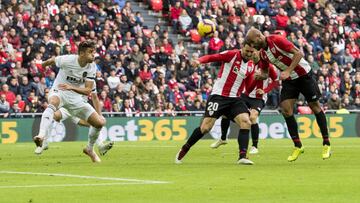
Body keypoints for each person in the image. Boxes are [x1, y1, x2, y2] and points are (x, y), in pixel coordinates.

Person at [245, 28, 331, 161]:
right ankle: (298, 146)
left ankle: (326, 143)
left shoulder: (276, 40)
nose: (252, 46)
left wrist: (288, 70)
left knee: (315, 106)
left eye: (252, 43)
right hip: (290, 80)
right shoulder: (262, 54)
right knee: (286, 110)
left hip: (303, 75)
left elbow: (298, 53)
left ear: (258, 37)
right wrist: (260, 76)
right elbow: (266, 73)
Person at [175, 44, 259, 165]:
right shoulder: (232, 55)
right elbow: (212, 57)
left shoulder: (251, 66)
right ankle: (184, 148)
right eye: (247, 51)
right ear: (242, 48)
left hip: (235, 99)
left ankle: (242, 156)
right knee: (205, 128)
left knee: (246, 122)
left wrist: (257, 79)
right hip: (219, 96)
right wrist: (199, 60)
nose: (249, 54)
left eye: (252, 51)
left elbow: (249, 86)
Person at [33, 40, 106, 163]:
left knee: (99, 123)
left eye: (94, 52)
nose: (93, 55)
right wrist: (42, 65)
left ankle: (89, 148)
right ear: (82, 53)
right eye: (90, 52)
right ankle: (41, 135)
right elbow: (52, 60)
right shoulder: (67, 60)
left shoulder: (91, 67)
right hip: (59, 91)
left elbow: (88, 90)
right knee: (53, 103)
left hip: (76, 99)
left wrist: (72, 87)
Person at [211, 51, 279, 154]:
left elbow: (276, 80)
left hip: (258, 98)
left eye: (255, 52)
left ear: (259, 53)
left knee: (253, 117)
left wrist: (265, 91)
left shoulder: (267, 65)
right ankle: (223, 138)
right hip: (245, 94)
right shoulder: (248, 64)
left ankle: (255, 146)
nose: (253, 54)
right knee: (225, 114)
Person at [36, 83, 114, 156]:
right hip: (66, 107)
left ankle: (100, 146)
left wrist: (99, 115)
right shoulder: (72, 75)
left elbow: (94, 97)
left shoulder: (90, 80)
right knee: (53, 115)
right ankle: (44, 143)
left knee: (94, 124)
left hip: (79, 108)